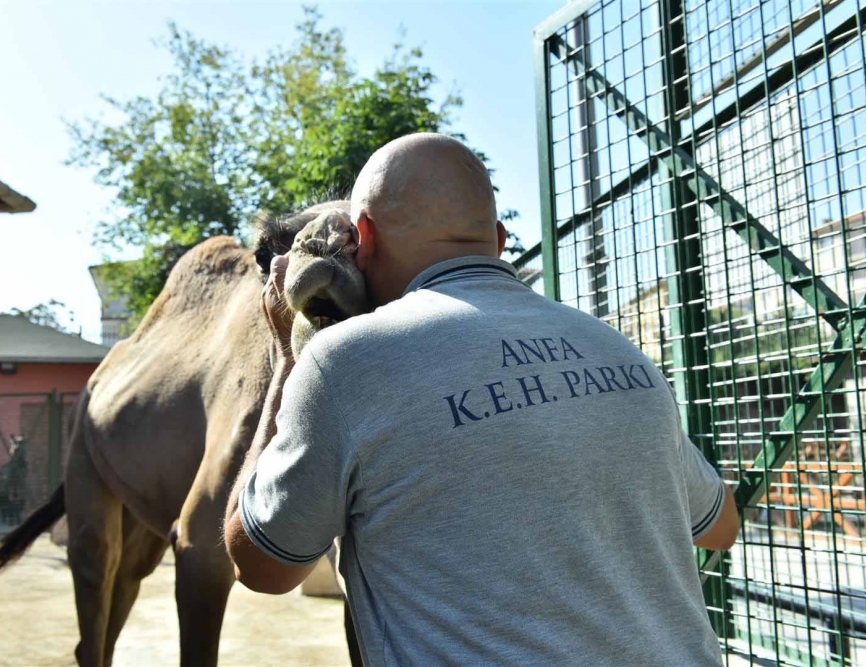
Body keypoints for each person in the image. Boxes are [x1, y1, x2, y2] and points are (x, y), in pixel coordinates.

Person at [224, 132, 739, 666]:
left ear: (365, 238)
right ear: (498, 239)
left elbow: (262, 566)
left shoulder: (342, 363)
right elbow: (721, 525)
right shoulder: (617, 349)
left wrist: (288, 358)